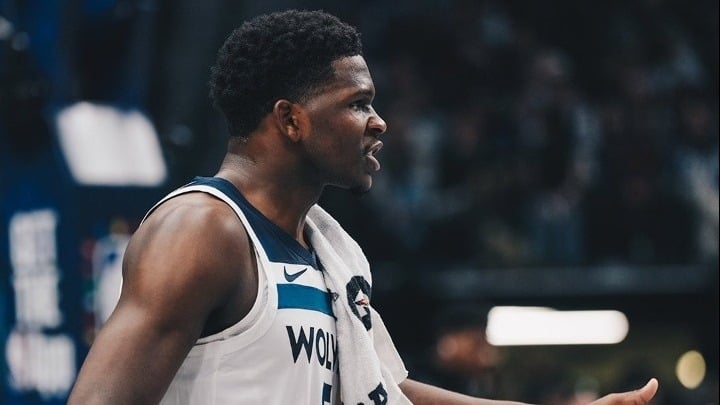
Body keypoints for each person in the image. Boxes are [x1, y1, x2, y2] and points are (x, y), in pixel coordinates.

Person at [68, 9, 659, 405]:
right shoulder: (202, 229)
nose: (379, 123)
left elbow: (388, 391)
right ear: (291, 120)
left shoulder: (330, 250)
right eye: (357, 104)